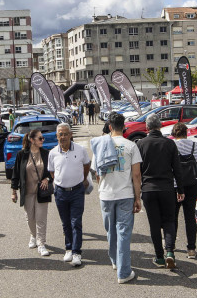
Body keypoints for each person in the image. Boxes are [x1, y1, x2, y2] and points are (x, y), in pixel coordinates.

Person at [91, 113, 142, 284]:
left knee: (111, 231)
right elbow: (136, 175)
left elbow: (97, 173)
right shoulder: (131, 146)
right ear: (124, 127)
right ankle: (124, 272)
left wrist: (102, 187)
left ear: (110, 127)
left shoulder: (100, 145)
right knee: (123, 233)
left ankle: (115, 261)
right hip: (125, 194)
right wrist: (138, 197)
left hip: (106, 194)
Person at [137, 114, 185, 269]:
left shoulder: (141, 144)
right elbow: (177, 169)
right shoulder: (170, 144)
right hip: (167, 188)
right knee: (169, 221)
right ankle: (170, 252)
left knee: (154, 224)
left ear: (147, 127)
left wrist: (136, 193)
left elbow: (137, 170)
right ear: (160, 126)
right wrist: (181, 190)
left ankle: (159, 257)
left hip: (149, 189)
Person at [48, 123, 91, 267]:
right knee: (65, 223)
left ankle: (77, 252)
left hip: (77, 191)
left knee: (76, 222)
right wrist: (60, 181)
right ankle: (68, 248)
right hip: (60, 192)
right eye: (60, 134)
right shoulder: (53, 152)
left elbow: (86, 166)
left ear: (71, 134)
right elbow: (52, 172)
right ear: (57, 136)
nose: (63, 137)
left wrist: (82, 179)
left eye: (66, 134)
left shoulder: (81, 150)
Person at [10, 128, 52, 257]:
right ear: (32, 140)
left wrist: (48, 178)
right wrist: (14, 191)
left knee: (41, 219)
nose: (42, 140)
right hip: (27, 192)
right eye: (40, 138)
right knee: (30, 218)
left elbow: (53, 171)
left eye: (42, 138)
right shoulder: (22, 155)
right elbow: (15, 174)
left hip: (42, 191)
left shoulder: (46, 153)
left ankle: (41, 244)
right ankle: (33, 235)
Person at [172, 122, 197, 259]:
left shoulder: (172, 146)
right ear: (186, 133)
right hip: (192, 184)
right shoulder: (195, 146)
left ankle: (171, 244)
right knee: (190, 217)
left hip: (175, 186)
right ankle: (191, 248)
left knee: (173, 216)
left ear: (174, 134)